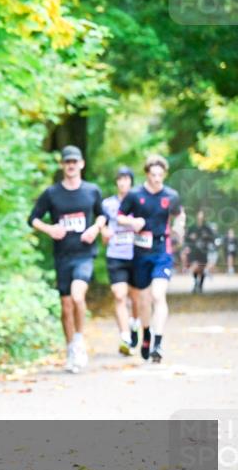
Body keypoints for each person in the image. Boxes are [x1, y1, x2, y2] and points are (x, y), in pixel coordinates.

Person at [28, 145, 106, 373]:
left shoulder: (92, 191)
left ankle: (79, 340)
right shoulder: (52, 194)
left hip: (84, 254)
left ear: (81, 164)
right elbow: (32, 219)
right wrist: (49, 229)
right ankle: (71, 348)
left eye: (75, 162)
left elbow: (103, 215)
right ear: (62, 165)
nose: (71, 165)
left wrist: (95, 228)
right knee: (65, 306)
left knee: (77, 295)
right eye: (67, 162)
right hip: (62, 256)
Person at [118, 155, 184, 363]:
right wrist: (132, 222)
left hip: (162, 250)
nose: (157, 179)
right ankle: (146, 333)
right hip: (140, 252)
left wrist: (178, 227)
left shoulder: (171, 195)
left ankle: (158, 341)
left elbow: (179, 214)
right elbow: (120, 216)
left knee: (158, 295)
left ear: (164, 175)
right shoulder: (135, 195)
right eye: (153, 175)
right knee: (143, 299)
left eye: (160, 175)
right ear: (147, 174)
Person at [101, 167, 141, 355]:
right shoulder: (108, 204)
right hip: (116, 254)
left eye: (126, 179)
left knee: (136, 297)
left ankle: (134, 324)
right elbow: (102, 225)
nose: (122, 182)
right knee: (119, 295)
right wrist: (104, 233)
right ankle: (125, 337)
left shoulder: (140, 201)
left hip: (136, 254)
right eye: (119, 179)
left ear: (131, 181)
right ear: (116, 182)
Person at [185, 210, 216, 294]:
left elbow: (213, 238)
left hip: (203, 251)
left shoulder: (206, 228)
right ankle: (195, 282)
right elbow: (186, 238)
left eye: (202, 215)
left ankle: (200, 286)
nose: (200, 217)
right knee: (195, 267)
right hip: (194, 250)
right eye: (199, 215)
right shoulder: (192, 227)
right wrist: (191, 237)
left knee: (202, 268)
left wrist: (207, 236)